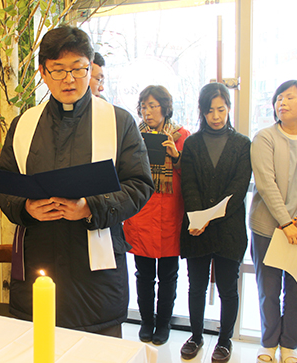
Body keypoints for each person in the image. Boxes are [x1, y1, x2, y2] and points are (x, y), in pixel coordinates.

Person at [0, 26, 154, 337]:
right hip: (37, 265)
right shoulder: (24, 124)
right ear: (43, 72)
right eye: (59, 70)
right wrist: (26, 208)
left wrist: (90, 207)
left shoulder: (118, 122)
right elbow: (3, 184)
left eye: (79, 69)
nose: (69, 79)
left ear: (91, 67)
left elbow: (140, 184)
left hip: (96, 280)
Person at [179, 82, 251, 362]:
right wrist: (200, 216)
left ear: (229, 109)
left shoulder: (243, 144)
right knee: (195, 286)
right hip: (196, 228)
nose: (216, 116)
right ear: (203, 112)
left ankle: (224, 341)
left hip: (229, 229)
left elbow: (239, 186)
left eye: (221, 109)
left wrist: (213, 216)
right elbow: (189, 184)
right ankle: (195, 336)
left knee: (227, 289)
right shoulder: (193, 143)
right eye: (210, 111)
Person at [249, 80, 297, 363]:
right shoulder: (264, 137)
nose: (281, 102)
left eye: (290, 97)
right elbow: (266, 183)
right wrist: (286, 222)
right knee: (269, 289)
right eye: (279, 98)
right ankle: (268, 343)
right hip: (269, 227)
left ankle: (289, 346)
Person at [123, 85, 190, 345]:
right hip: (142, 212)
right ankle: (146, 322)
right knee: (144, 274)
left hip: (171, 214)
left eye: (153, 105)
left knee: (169, 275)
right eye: (143, 106)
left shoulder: (181, 134)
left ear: (165, 107)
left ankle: (163, 324)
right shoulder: (132, 135)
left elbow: (191, 175)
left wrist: (176, 156)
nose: (147, 111)